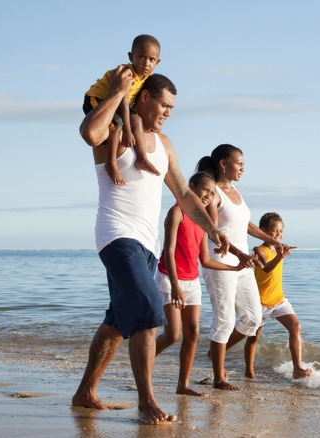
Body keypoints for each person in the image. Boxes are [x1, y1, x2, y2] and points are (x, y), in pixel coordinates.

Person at [72, 69, 230, 425]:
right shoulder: (115, 131)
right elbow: (88, 133)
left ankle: (85, 390)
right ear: (144, 98)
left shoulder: (165, 144)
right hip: (116, 235)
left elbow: (185, 195)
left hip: (147, 244)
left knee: (116, 321)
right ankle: (147, 403)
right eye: (164, 105)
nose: (168, 113)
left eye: (172, 108)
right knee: (146, 313)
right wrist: (117, 92)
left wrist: (211, 229)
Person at [153, 171, 253, 397]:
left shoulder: (202, 223)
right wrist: (176, 286)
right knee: (173, 334)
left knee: (194, 332)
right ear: (190, 187)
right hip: (170, 279)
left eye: (211, 193)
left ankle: (183, 385)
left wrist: (234, 267)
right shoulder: (177, 212)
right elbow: (168, 251)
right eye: (204, 190)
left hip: (191, 280)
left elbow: (205, 260)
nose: (207, 195)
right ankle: (143, 361)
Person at [196, 144, 286, 391]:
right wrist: (238, 255)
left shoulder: (235, 191)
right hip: (221, 263)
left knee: (253, 318)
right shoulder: (213, 193)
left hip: (242, 263)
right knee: (224, 320)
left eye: (244, 165)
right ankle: (219, 377)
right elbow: (212, 232)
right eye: (239, 164)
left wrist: (272, 240)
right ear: (223, 164)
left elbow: (246, 225)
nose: (243, 169)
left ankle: (217, 354)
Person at [231, 212, 312, 379]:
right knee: (253, 337)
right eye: (275, 231)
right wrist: (280, 257)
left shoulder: (278, 249)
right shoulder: (258, 249)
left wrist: (280, 254)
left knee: (295, 326)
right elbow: (267, 268)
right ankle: (248, 370)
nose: (279, 235)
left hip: (278, 299)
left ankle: (297, 368)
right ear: (262, 231)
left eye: (281, 232)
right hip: (259, 301)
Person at [83, 34, 161, 185]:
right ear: (131, 57)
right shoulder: (127, 74)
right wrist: (128, 130)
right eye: (141, 57)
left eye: (151, 60)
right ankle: (111, 163)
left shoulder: (146, 77)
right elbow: (124, 103)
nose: (146, 63)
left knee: (136, 119)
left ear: (157, 62)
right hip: (97, 99)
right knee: (117, 124)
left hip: (119, 105)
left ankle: (142, 158)